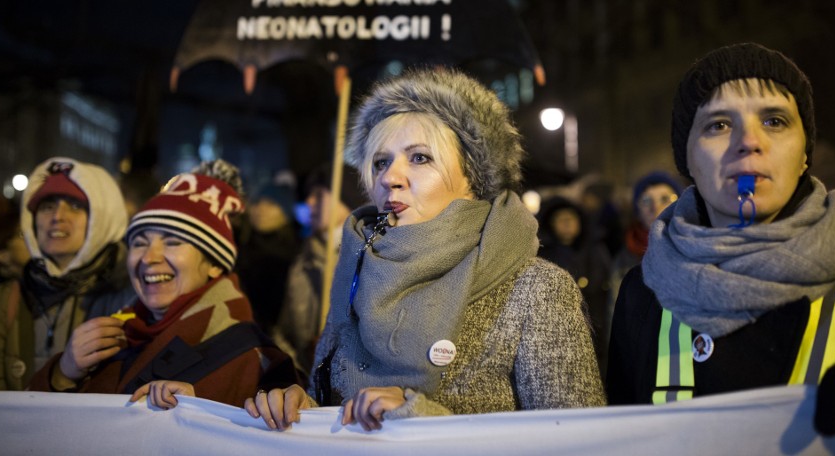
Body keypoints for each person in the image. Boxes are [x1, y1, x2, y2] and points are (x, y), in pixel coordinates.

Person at [246, 67, 605, 432]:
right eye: (381, 162)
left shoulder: (536, 289)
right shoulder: (355, 274)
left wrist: (423, 423)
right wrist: (302, 409)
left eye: (419, 158)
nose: (389, 177)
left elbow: (575, 440)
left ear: (473, 178)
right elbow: (332, 405)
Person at [606, 43, 835, 416]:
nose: (749, 142)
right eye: (719, 125)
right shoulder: (642, 295)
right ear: (687, 158)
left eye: (774, 121)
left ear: (804, 155)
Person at [28, 173, 301, 408]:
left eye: (172, 242)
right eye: (139, 243)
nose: (149, 257)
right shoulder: (115, 334)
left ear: (215, 266)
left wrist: (203, 409)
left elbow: (293, 427)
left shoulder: (254, 357)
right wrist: (63, 374)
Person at [0, 157, 135, 390]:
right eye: (47, 206)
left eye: (75, 206)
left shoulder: (130, 297)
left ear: (104, 218)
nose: (57, 217)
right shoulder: (8, 297)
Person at [273, 162, 365, 374]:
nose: (309, 202)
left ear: (346, 200)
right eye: (309, 195)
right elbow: (285, 330)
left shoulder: (369, 258)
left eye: (319, 195)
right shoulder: (303, 259)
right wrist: (295, 368)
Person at [537, 195, 611, 374]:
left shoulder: (596, 251)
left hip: (597, 335)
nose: (567, 223)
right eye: (560, 219)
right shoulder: (542, 256)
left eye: (571, 218)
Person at [606, 171, 682, 323]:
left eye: (665, 199)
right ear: (637, 211)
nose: (656, 207)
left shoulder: (697, 247)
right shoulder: (625, 258)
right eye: (646, 201)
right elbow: (617, 317)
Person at [235, 181, 301, 334]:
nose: (261, 209)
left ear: (286, 210)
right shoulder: (240, 245)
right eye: (257, 202)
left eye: (271, 203)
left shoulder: (300, 252)